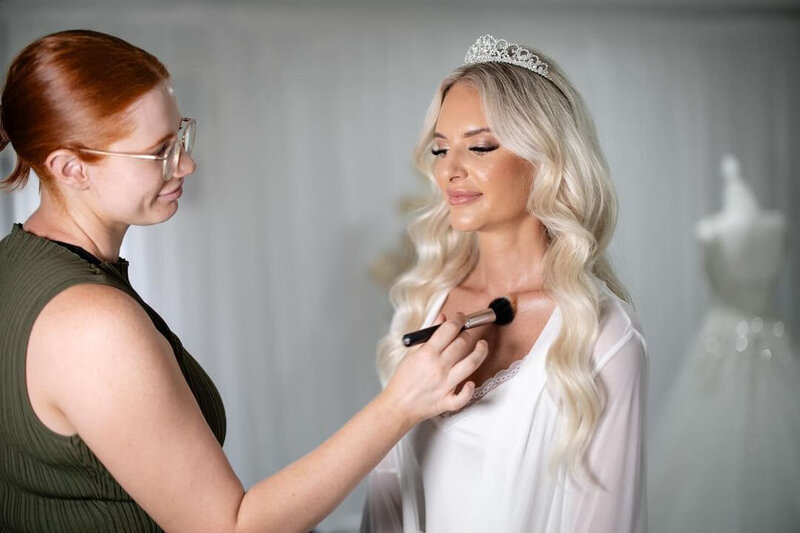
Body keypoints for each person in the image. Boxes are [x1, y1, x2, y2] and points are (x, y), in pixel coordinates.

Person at [0, 29, 489, 532]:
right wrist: (400, 406)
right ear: (71, 169)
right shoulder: (91, 325)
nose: (186, 163)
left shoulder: (15, 266)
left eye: (181, 136)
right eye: (160, 151)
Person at [362, 34, 648, 532]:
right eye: (440, 148)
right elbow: (385, 499)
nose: (450, 169)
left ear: (544, 159)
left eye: (479, 146)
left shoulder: (601, 334)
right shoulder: (422, 306)